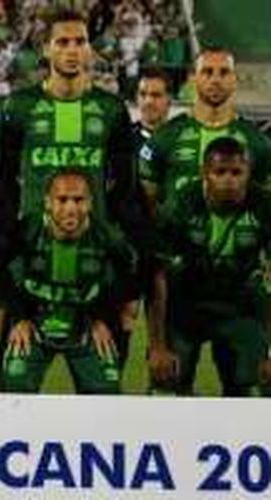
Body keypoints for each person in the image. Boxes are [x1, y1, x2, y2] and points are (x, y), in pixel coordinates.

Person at [0, 9, 144, 387]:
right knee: (3, 383)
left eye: (80, 42)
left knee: (104, 389)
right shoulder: (19, 106)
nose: (72, 50)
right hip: (30, 258)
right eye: (63, 42)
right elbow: (4, 182)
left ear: (90, 50)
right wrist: (5, 236)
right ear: (46, 49)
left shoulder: (110, 109)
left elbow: (124, 187)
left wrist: (120, 245)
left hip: (95, 263)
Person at [149, 137, 271, 397]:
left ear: (248, 173)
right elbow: (157, 274)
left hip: (240, 307)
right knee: (167, 386)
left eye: (237, 172)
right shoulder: (179, 205)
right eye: (220, 172)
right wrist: (158, 345)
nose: (229, 180)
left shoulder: (265, 206)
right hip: (186, 306)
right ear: (205, 173)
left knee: (254, 385)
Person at [0, 170, 136, 394]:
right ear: (48, 203)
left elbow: (127, 280)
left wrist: (103, 319)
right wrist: (20, 317)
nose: (71, 208)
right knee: (16, 387)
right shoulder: (27, 229)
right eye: (62, 200)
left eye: (79, 200)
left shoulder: (108, 237)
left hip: (85, 323)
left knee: (105, 391)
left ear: (90, 203)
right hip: (34, 321)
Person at [139, 47, 271, 211]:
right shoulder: (164, 138)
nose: (215, 80)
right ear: (193, 79)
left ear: (234, 79)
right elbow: (144, 207)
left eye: (224, 72)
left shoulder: (258, 141)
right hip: (175, 236)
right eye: (207, 72)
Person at [134, 68, 171, 151]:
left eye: (156, 95)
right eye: (143, 94)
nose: (148, 101)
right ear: (136, 99)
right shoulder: (123, 140)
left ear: (169, 101)